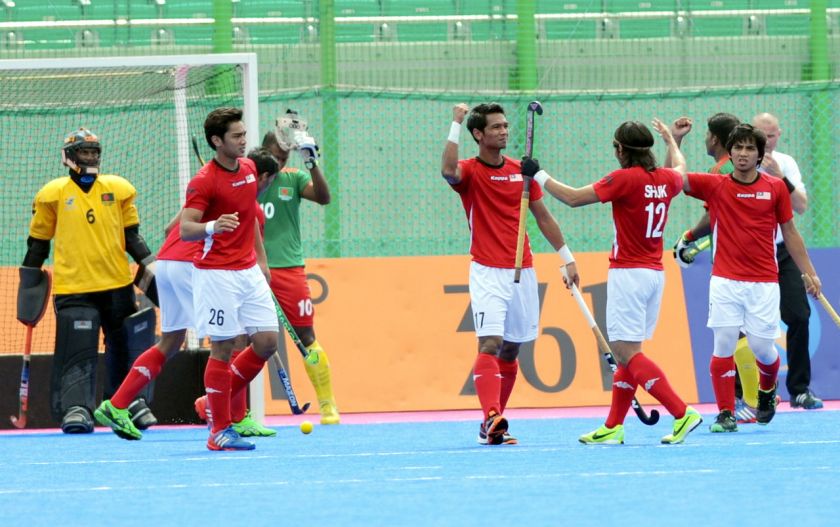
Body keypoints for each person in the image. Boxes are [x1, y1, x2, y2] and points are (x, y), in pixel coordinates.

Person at [523, 120, 703, 445]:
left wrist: (538, 173)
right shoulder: (667, 179)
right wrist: (673, 141)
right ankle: (613, 426)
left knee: (626, 352)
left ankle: (681, 412)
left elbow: (574, 198)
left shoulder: (622, 178)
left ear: (620, 149)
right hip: (654, 276)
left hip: (628, 275)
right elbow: (680, 165)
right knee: (627, 354)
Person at [94, 148, 280, 440]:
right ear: (261, 176)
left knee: (171, 340)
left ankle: (116, 405)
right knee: (231, 341)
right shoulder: (249, 207)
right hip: (194, 265)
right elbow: (253, 253)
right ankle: (232, 417)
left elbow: (172, 228)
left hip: (166, 263)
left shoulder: (210, 192)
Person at [660, 121, 822, 433]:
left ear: (760, 155)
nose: (743, 153)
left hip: (763, 282)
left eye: (750, 148)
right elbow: (670, 180)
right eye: (738, 147)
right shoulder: (715, 184)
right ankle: (725, 413)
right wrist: (674, 141)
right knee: (723, 345)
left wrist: (809, 273)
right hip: (725, 281)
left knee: (763, 349)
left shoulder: (774, 188)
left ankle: (766, 392)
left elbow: (790, 232)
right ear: (731, 153)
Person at [440, 102, 579, 446]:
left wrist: (567, 257)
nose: (504, 131)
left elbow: (544, 217)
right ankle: (490, 416)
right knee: (490, 342)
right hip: (487, 270)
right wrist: (455, 124)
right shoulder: (470, 172)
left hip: (524, 270)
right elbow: (447, 170)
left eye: (505, 126)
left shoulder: (521, 171)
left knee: (512, 350)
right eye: (496, 127)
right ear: (478, 134)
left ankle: (494, 422)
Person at [19, 127, 158, 434]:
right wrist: (28, 281)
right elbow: (38, 243)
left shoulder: (118, 189)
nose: (91, 158)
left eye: (95, 152)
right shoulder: (52, 195)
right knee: (77, 347)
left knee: (124, 346)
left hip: (118, 285)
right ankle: (77, 407)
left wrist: (152, 267)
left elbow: (131, 237)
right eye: (84, 152)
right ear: (69, 157)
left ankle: (125, 403)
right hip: (74, 288)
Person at [179, 107, 283, 451]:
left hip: (248, 271)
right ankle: (219, 430)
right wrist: (212, 225)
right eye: (236, 136)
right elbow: (186, 228)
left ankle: (212, 402)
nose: (243, 141)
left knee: (266, 342)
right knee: (223, 349)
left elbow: (250, 215)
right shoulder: (203, 181)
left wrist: (262, 262)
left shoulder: (252, 170)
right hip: (215, 274)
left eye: (243, 134)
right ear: (216, 141)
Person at [259, 125, 340, 425]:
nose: (279, 163)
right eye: (274, 157)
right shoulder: (246, 180)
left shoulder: (292, 178)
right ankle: (224, 407)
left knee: (307, 337)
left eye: (284, 158)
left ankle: (328, 406)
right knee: (240, 341)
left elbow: (323, 197)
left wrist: (311, 162)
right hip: (251, 270)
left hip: (289, 270)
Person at [751, 112, 821, 410]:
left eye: (772, 135)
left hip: (782, 250)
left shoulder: (786, 163)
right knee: (744, 325)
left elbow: (801, 206)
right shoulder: (738, 162)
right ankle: (745, 393)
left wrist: (780, 176)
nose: (768, 141)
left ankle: (800, 389)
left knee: (799, 315)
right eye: (762, 136)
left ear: (779, 134)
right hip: (750, 253)